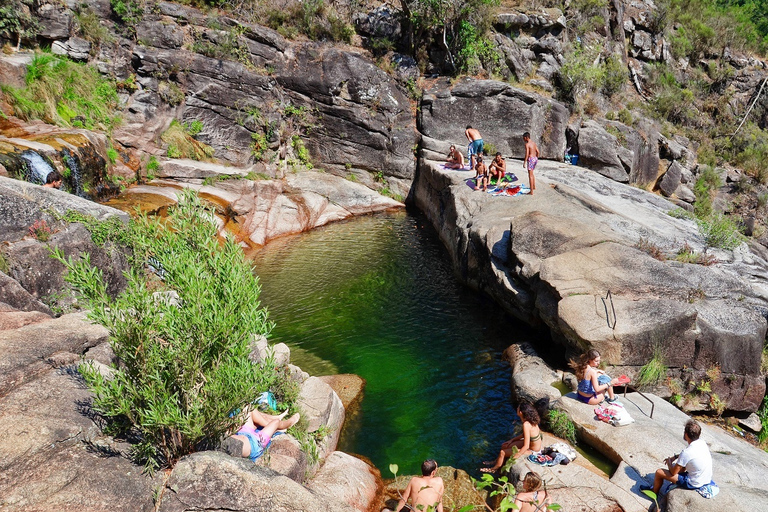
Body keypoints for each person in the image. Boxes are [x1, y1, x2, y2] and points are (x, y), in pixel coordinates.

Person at [642, 420, 713, 495]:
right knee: (681, 465)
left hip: (694, 483)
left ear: (686, 434)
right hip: (705, 479)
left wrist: (669, 462)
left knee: (659, 472)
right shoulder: (702, 443)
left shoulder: (687, 452)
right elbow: (689, 456)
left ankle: (654, 491)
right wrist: (675, 457)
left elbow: (673, 472)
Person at [482, 401, 543, 472]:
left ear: (520, 412)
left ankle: (493, 469)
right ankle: (496, 461)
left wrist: (515, 456)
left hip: (532, 450)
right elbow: (524, 435)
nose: (517, 409)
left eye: (518, 408)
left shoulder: (526, 424)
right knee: (504, 445)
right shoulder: (532, 420)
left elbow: (526, 446)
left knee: (502, 452)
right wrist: (511, 440)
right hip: (531, 444)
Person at [228, 409, 300, 461]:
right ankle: (288, 423)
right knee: (276, 422)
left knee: (248, 408)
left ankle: (270, 422)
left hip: (244, 432)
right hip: (256, 442)